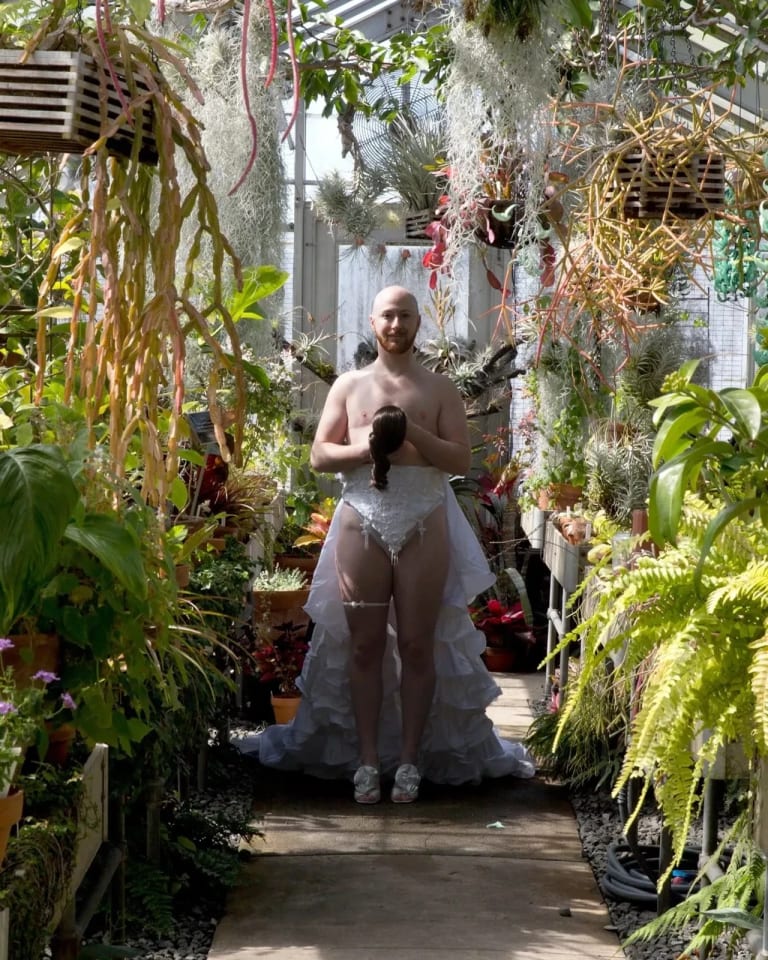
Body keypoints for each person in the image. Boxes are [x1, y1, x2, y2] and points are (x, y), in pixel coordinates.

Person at [238, 285, 535, 800]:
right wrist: (368, 445)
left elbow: (461, 462)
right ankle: (368, 760)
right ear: (372, 323)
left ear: (419, 323)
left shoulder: (439, 389)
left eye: (405, 316)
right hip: (362, 518)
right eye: (387, 316)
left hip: (426, 519)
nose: (396, 325)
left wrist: (413, 436)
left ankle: (409, 762)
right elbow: (319, 455)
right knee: (365, 645)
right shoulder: (349, 386)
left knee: (420, 645)